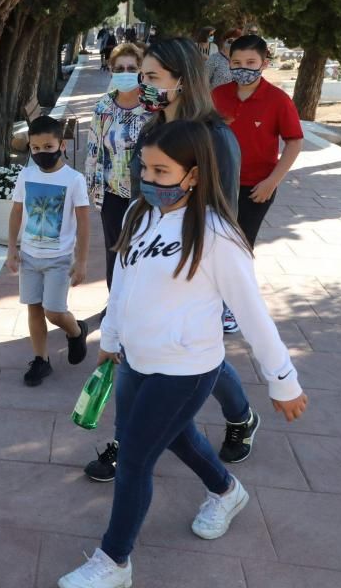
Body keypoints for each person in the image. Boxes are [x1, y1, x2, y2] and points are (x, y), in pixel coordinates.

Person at [58, 120, 307, 588]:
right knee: (174, 436)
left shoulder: (218, 235)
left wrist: (283, 380)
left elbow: (253, 315)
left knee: (133, 457)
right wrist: (110, 339)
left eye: (162, 171)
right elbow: (125, 282)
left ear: (193, 174)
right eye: (145, 169)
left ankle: (115, 561)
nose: (149, 180)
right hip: (135, 359)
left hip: (188, 368)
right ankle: (226, 490)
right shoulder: (137, 213)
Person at [85, 38, 259, 484]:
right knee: (141, 347)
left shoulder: (216, 138)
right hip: (146, 257)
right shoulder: (151, 130)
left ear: (182, 80)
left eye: (152, 77)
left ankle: (239, 415)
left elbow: (224, 214)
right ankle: (130, 440)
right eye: (141, 76)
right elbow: (143, 194)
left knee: (196, 355)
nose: (143, 86)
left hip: (192, 269)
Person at [5, 116, 91, 386]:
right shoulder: (26, 175)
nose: (42, 153)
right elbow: (17, 212)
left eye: (48, 146)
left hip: (59, 258)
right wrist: (12, 248)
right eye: (36, 148)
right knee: (33, 308)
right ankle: (41, 360)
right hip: (30, 256)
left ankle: (76, 332)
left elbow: (85, 222)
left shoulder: (74, 180)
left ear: (62, 145)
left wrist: (81, 261)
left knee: (54, 311)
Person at [212, 34, 304, 248]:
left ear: (264, 64)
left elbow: (294, 142)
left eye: (250, 62)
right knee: (213, 244)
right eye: (237, 63)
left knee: (240, 246)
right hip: (218, 184)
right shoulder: (217, 95)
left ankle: (238, 282)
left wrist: (272, 182)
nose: (243, 68)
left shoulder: (278, 100)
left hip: (255, 188)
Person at [84, 43, 151, 287]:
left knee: (143, 251)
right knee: (114, 251)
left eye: (131, 67)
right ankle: (114, 305)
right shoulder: (103, 106)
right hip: (112, 194)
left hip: (146, 194)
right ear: (111, 70)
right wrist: (92, 189)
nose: (125, 72)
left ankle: (137, 307)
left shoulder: (152, 107)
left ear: (141, 70)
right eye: (119, 68)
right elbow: (93, 149)